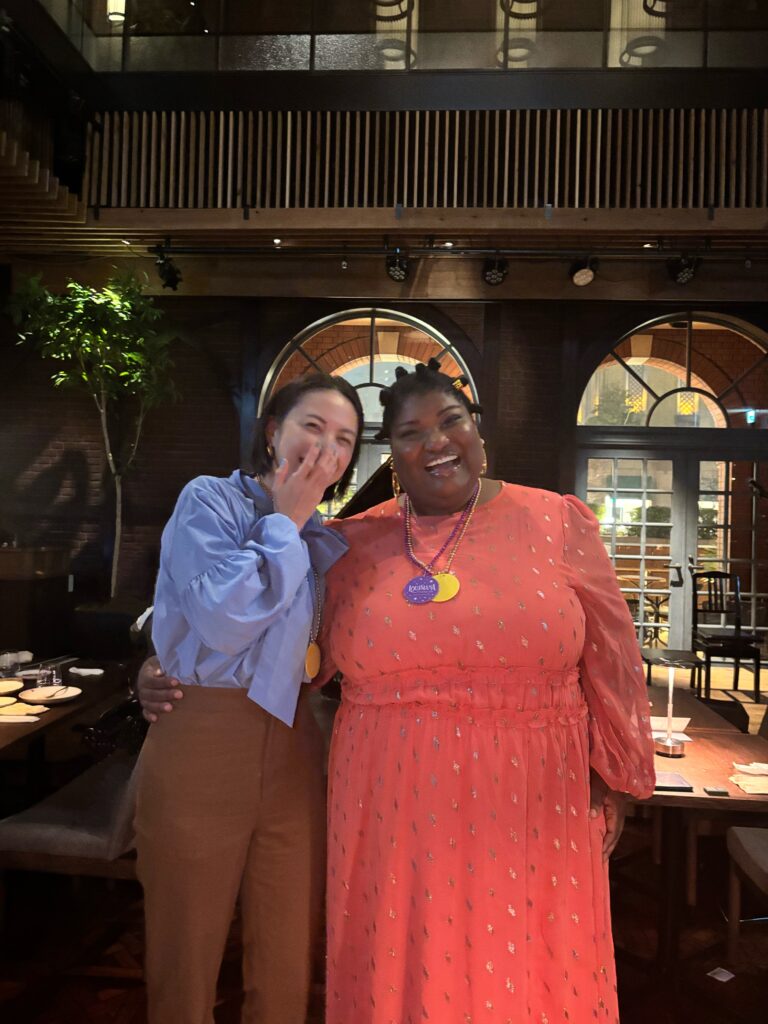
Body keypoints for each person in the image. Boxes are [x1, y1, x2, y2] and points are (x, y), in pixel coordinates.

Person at [139, 359, 655, 1023]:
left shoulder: (546, 521)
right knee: (221, 954)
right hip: (368, 793)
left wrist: (611, 772)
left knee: (303, 958)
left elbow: (613, 653)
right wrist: (153, 661)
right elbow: (225, 617)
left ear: (478, 431)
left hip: (510, 790)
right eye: (410, 433)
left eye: (451, 421)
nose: (435, 441)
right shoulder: (311, 530)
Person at [134, 372, 364, 1024]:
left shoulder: (326, 537)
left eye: (344, 439)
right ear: (272, 433)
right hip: (202, 740)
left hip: (296, 742)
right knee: (186, 952)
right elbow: (219, 620)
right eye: (313, 427)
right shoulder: (210, 500)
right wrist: (285, 519)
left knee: (288, 954)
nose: (327, 449)